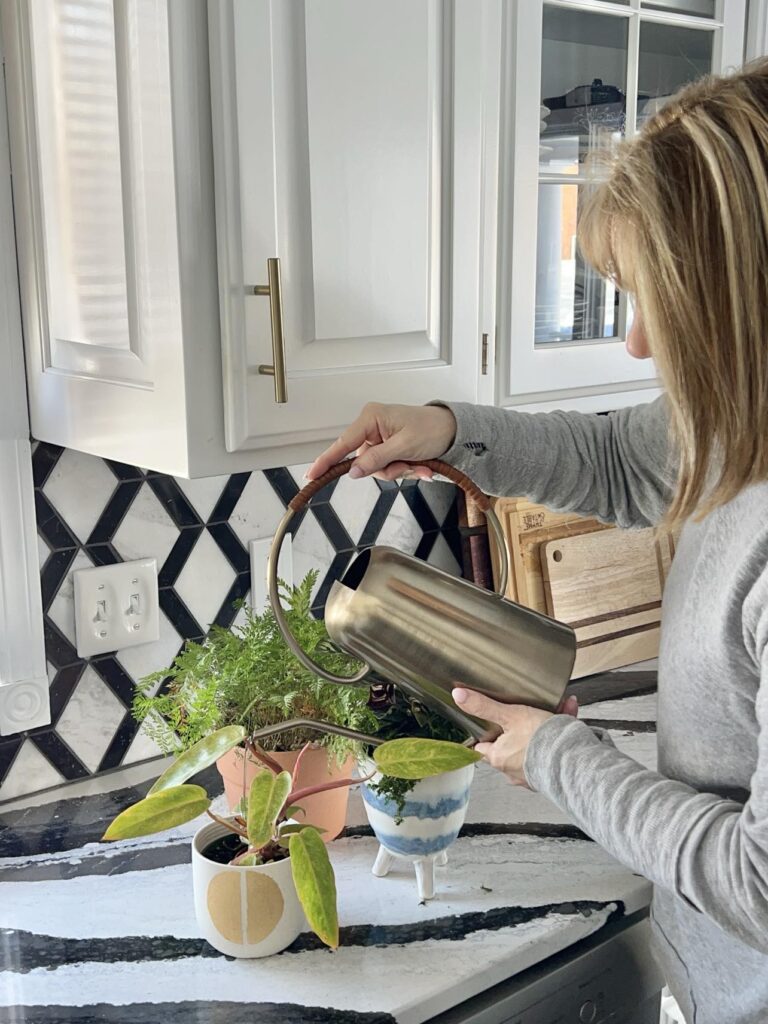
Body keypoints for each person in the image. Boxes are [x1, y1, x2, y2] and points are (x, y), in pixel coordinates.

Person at [307, 61, 768, 1024]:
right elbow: (618, 459)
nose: (638, 344)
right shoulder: (742, 421)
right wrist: (446, 429)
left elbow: (760, 885)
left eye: (661, 303)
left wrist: (557, 754)